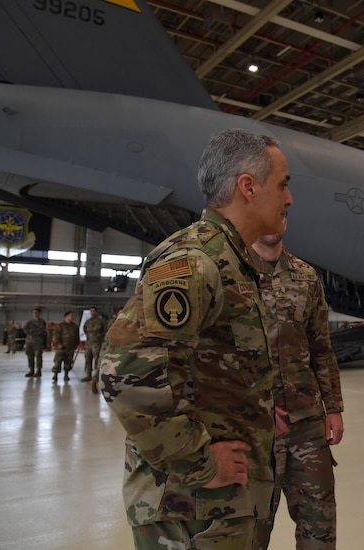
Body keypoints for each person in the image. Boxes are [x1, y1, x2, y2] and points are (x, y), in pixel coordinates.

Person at [100, 128, 293, 550]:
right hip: (190, 511)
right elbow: (127, 377)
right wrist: (199, 461)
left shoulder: (232, 262)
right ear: (248, 186)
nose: (289, 199)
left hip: (217, 510)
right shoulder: (196, 261)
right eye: (282, 185)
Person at [250, 219, 344, 550]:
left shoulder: (306, 276)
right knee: (251, 528)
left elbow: (321, 347)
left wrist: (333, 408)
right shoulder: (234, 272)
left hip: (307, 425)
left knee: (319, 522)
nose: (271, 223)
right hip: (255, 428)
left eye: (278, 216)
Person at [81, 306, 106, 391]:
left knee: (97, 359)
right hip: (89, 343)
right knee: (88, 358)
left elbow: (105, 331)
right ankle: (88, 374)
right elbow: (85, 330)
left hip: (97, 343)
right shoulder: (88, 322)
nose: (92, 312)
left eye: (94, 311)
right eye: (91, 311)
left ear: (96, 312)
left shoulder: (101, 321)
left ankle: (96, 376)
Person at [52, 310, 79, 382]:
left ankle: (66, 375)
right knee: (58, 362)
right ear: (66, 316)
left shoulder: (75, 326)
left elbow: (77, 336)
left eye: (73, 316)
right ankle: (55, 375)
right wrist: (59, 344)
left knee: (68, 362)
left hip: (70, 347)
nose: (72, 317)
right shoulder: (60, 325)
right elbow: (56, 336)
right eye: (71, 315)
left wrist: (76, 344)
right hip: (61, 348)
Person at [24, 308, 47, 377]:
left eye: (36, 312)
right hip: (29, 342)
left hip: (38, 342)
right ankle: (31, 370)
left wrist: (31, 331)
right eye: (34, 312)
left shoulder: (42, 322)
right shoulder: (29, 322)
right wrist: (33, 330)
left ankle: (38, 371)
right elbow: (25, 330)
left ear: (39, 313)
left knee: (38, 357)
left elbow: (40, 331)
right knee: (30, 356)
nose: (35, 314)